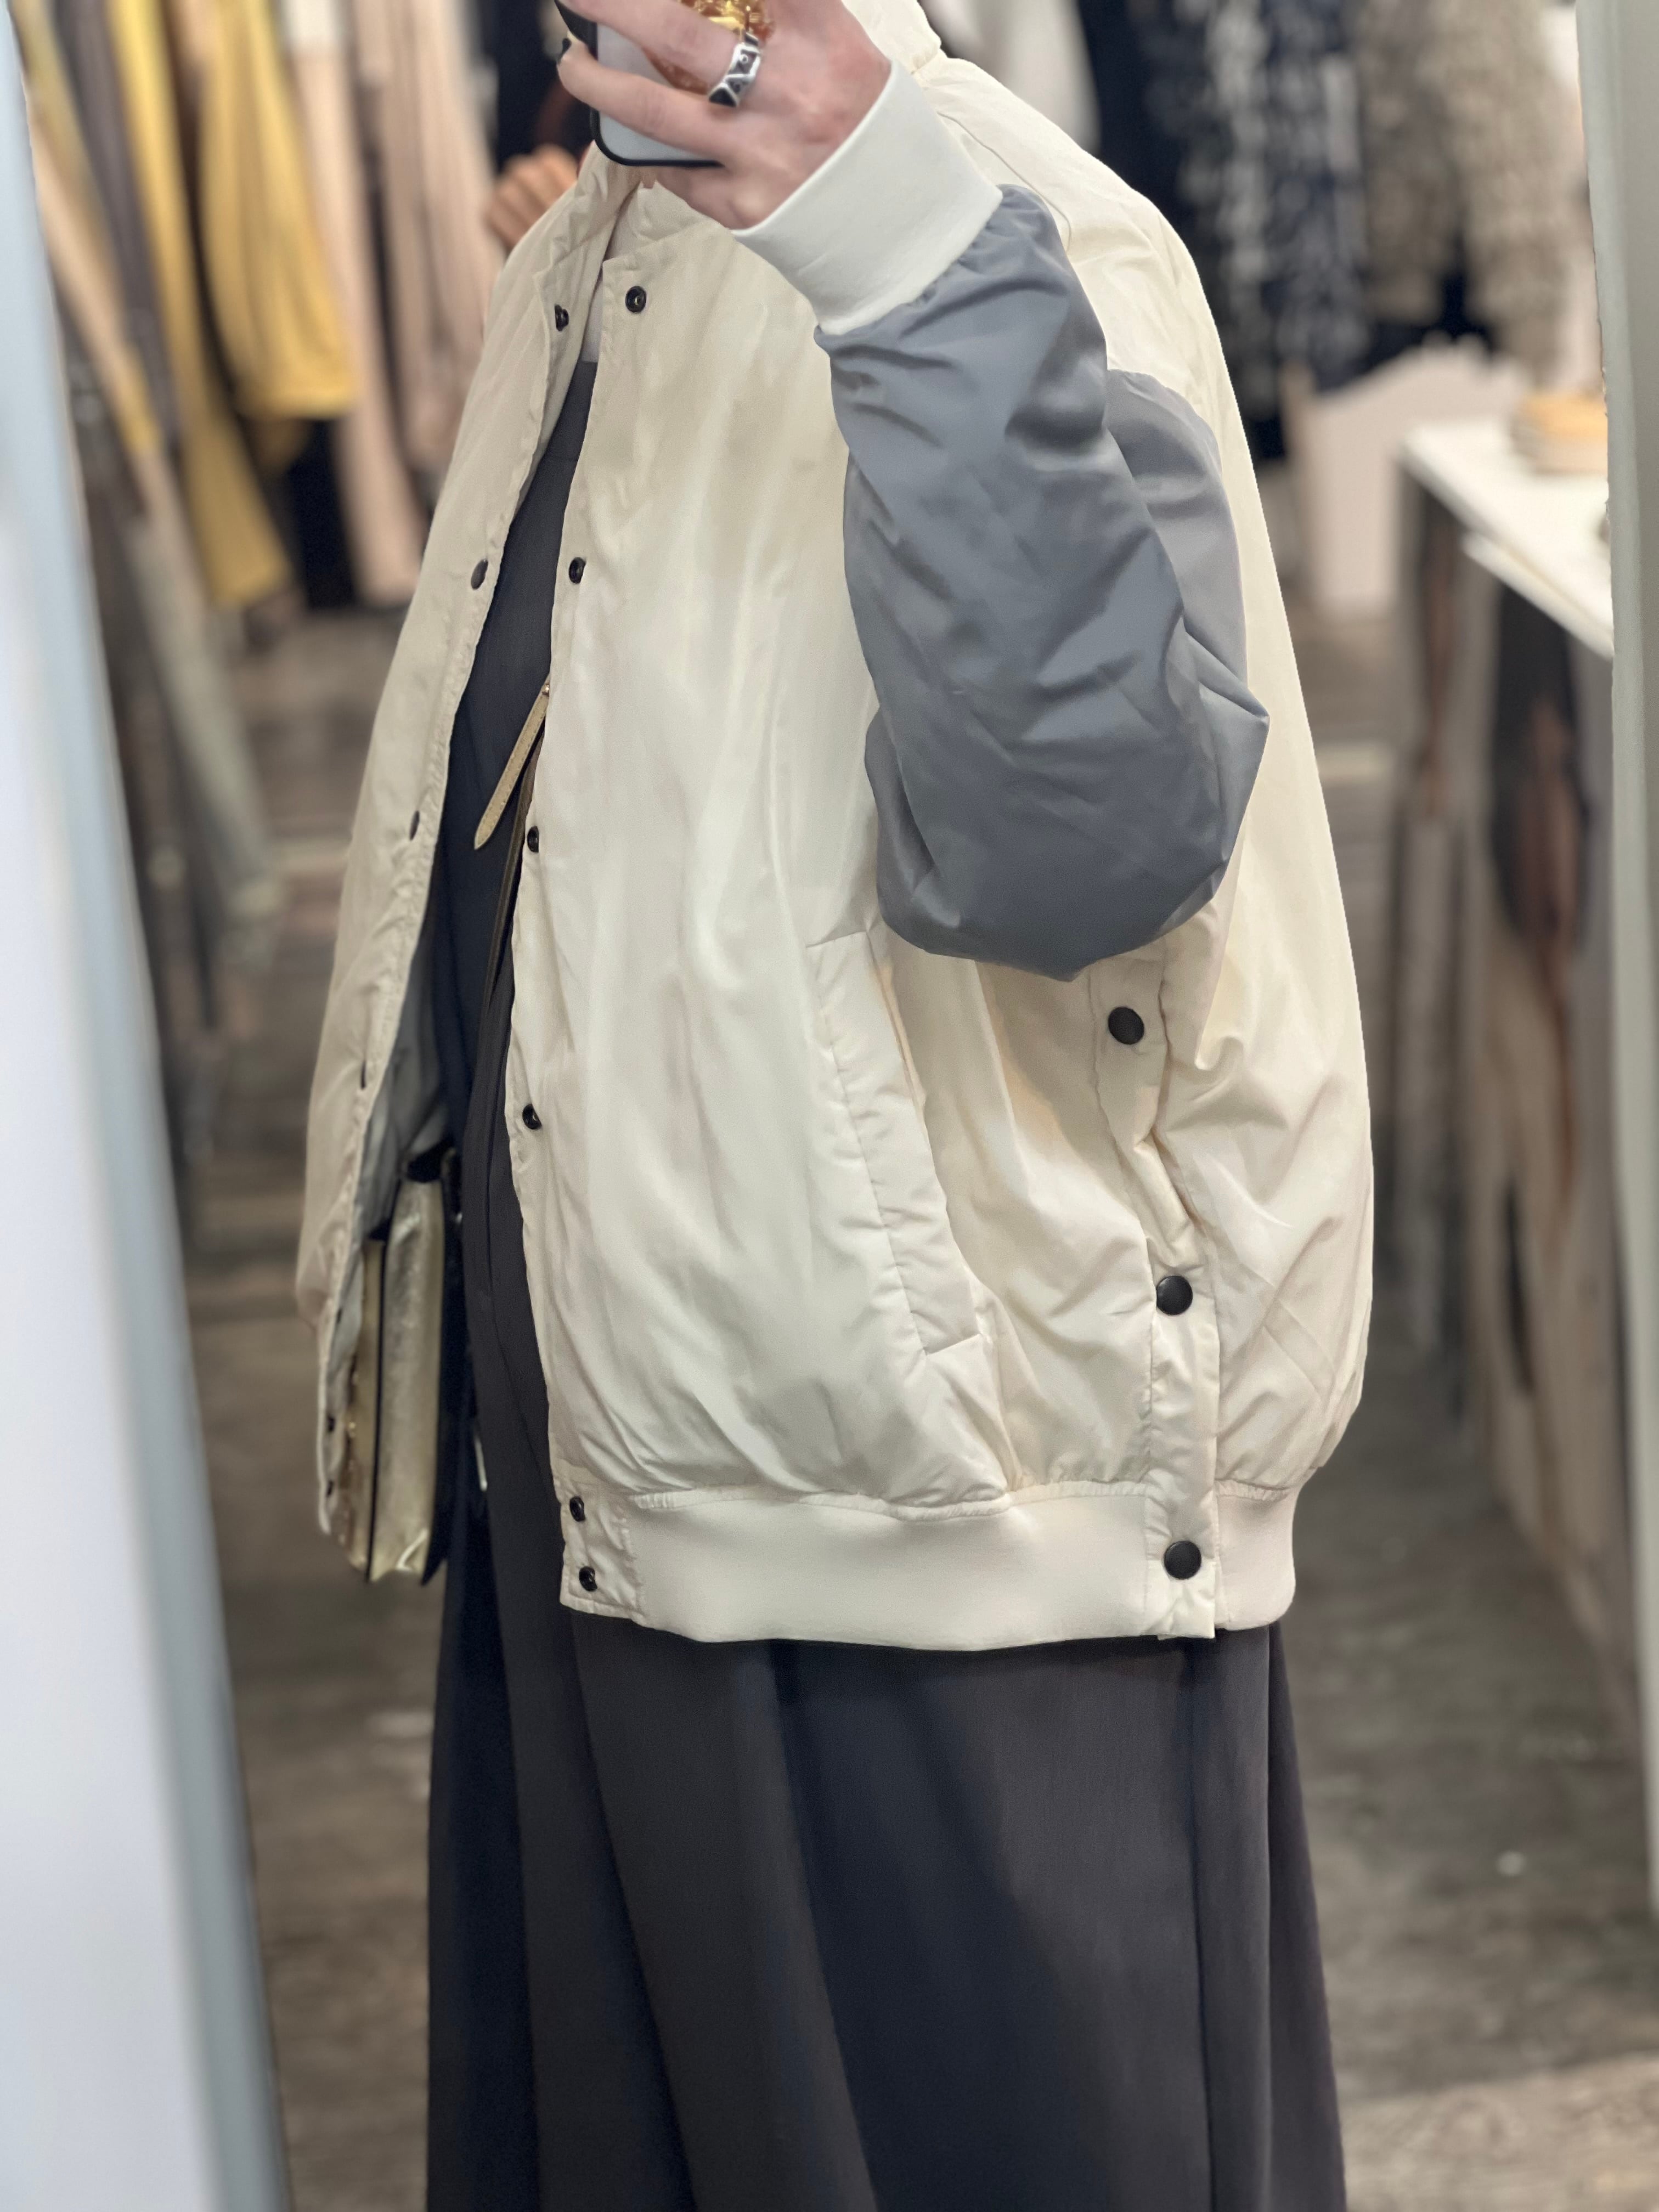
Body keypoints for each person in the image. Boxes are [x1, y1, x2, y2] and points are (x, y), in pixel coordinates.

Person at [297, 1, 1373, 2204]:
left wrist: (902, 261)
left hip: (948, 1576)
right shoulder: (583, 265)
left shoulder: (1012, 220)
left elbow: (1087, 853)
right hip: (620, 1499)